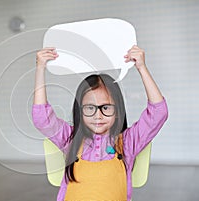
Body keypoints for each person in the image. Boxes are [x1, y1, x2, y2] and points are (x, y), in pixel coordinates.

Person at [32, 45, 168, 201]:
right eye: (90, 108)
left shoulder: (128, 143)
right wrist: (40, 68)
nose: (98, 115)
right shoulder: (69, 139)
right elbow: (41, 118)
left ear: (118, 111)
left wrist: (142, 68)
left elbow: (159, 113)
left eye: (105, 107)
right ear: (79, 109)